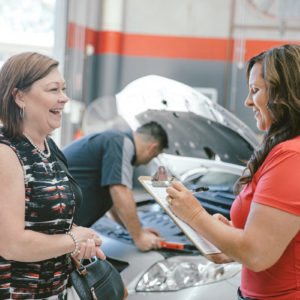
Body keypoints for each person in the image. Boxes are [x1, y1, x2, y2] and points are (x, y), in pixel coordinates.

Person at [166, 44, 300, 299]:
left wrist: (195, 214)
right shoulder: (284, 150)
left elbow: (257, 254)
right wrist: (229, 234)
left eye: (255, 90)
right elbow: (268, 243)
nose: (248, 101)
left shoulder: (292, 156)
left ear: (285, 93)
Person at [0, 52, 105, 299]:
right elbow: (11, 244)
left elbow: (50, 224)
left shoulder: (50, 149)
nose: (64, 98)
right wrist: (73, 241)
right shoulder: (6, 153)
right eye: (53, 90)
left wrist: (82, 238)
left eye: (64, 89)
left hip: (56, 291)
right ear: (19, 97)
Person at [63, 122, 168, 251]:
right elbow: (119, 189)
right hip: (54, 225)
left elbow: (114, 203)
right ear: (152, 148)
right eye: (154, 156)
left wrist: (135, 229)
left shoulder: (112, 139)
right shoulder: (120, 141)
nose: (149, 161)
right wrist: (139, 237)